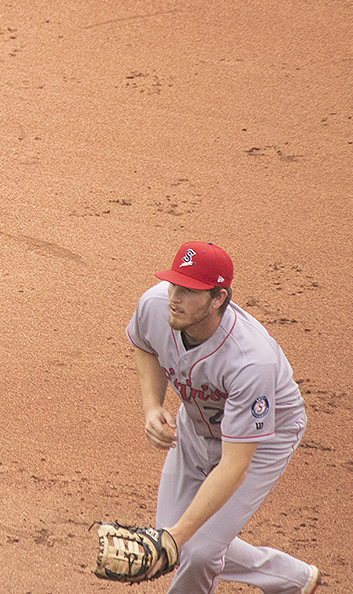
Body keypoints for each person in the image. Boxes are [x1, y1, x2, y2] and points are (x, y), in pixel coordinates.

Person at [126, 241, 319, 593]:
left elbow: (234, 465)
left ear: (218, 298)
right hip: (197, 426)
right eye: (174, 284)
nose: (174, 297)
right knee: (178, 536)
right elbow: (144, 344)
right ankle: (291, 579)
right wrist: (151, 405)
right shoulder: (155, 305)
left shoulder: (250, 359)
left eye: (188, 290)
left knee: (195, 549)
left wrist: (176, 539)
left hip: (264, 437)